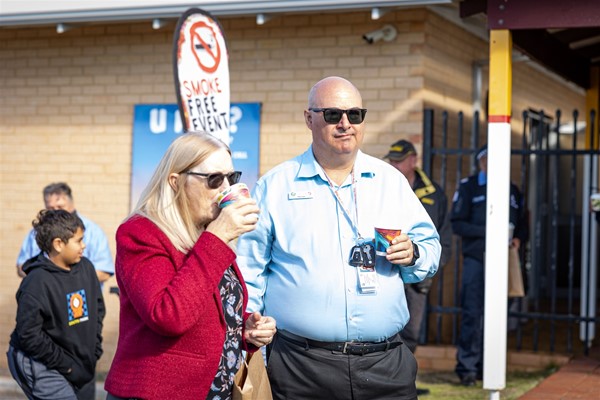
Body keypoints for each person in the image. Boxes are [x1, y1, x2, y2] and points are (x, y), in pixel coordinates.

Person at [236, 76, 441, 400]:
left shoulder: (391, 181)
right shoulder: (275, 187)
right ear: (309, 118)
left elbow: (430, 249)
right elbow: (248, 269)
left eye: (354, 115)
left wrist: (413, 253)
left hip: (386, 365)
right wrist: (248, 321)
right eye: (333, 114)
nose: (345, 124)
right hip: (301, 367)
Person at [104, 132, 277, 400]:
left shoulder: (206, 232)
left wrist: (243, 329)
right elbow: (168, 316)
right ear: (175, 181)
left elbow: (207, 309)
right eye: (214, 179)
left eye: (232, 178)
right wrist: (218, 238)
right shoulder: (141, 232)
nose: (225, 189)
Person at [7, 209, 105, 400]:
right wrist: (67, 366)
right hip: (41, 362)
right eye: (78, 240)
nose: (84, 246)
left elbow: (97, 309)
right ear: (58, 244)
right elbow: (29, 335)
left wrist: (95, 349)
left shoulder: (86, 268)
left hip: (75, 363)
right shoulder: (36, 282)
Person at [451, 144, 528, 386]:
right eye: (488, 159)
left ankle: (489, 368)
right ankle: (467, 369)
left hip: (503, 260)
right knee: (472, 314)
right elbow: (457, 224)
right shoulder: (468, 187)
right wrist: (489, 231)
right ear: (481, 162)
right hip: (477, 259)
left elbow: (523, 221)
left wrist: (518, 238)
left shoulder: (512, 190)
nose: (492, 164)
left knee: (497, 316)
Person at [385, 139, 453, 396]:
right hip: (387, 269)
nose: (394, 165)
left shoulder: (433, 192)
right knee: (389, 329)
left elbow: (443, 235)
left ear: (413, 160)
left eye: (399, 160)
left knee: (411, 330)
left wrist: (434, 265)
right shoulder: (385, 186)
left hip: (417, 274)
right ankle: (389, 382)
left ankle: (404, 381)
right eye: (391, 160)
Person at [16, 182, 114, 283]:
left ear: (71, 203)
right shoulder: (36, 233)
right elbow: (22, 267)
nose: (55, 211)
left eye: (60, 207)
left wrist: (65, 282)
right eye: (50, 208)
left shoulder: (93, 231)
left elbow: (104, 272)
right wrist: (46, 280)